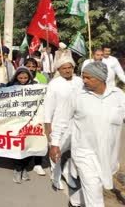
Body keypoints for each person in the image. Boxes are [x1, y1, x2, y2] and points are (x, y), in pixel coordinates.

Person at [50, 62, 125, 207]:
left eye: (88, 78)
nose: (83, 81)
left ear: (101, 78)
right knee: (95, 196)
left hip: (108, 155)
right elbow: (62, 121)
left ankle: (75, 201)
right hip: (84, 152)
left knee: (96, 185)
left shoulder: (118, 96)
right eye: (83, 77)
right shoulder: (77, 95)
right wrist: (55, 143)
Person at [44, 55, 83, 191]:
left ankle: (68, 173)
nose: (67, 70)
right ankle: (55, 177)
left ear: (73, 68)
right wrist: (48, 126)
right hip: (58, 123)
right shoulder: (54, 84)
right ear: (59, 70)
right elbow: (48, 107)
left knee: (74, 152)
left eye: (69, 67)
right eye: (64, 68)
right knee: (56, 152)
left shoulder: (80, 81)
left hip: (77, 124)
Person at [6, 67, 36, 183]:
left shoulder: (34, 87)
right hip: (15, 121)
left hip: (30, 121)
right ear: (16, 77)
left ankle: (24, 168)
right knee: (17, 145)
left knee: (28, 145)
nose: (23, 80)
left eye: (25, 78)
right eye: (20, 78)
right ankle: (17, 169)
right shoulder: (10, 87)